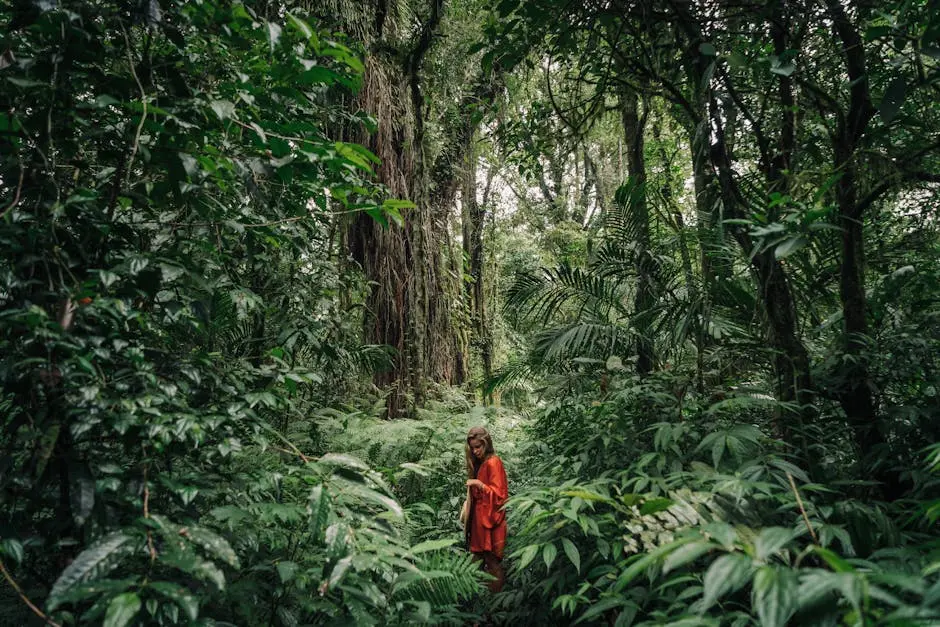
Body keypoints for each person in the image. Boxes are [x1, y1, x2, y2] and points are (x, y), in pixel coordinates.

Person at [463, 426, 508, 593]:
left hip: (490, 519)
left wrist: (480, 485)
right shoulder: (480, 463)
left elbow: (500, 496)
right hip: (479, 520)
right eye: (472, 447)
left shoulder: (493, 462)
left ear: (486, 443)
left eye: (478, 446)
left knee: (492, 563)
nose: (475, 451)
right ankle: (478, 602)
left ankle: (495, 606)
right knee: (477, 560)